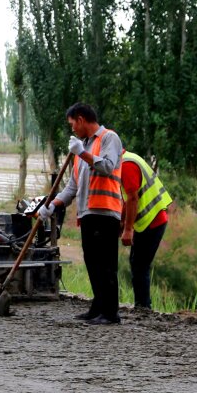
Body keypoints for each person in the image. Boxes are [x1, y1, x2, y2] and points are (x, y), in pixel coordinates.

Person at [37, 102, 124, 325]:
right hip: (88, 212)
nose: (72, 129)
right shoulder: (80, 149)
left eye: (72, 124)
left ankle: (110, 312)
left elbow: (107, 166)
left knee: (105, 264)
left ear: (81, 119)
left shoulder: (108, 138)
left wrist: (82, 153)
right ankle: (98, 307)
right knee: (92, 262)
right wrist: (53, 205)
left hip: (106, 212)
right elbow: (72, 187)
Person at [120, 151, 173, 310]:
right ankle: (142, 306)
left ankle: (143, 308)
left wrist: (128, 229)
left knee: (139, 265)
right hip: (153, 218)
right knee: (137, 263)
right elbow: (128, 198)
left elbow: (133, 198)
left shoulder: (126, 165)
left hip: (151, 221)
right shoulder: (129, 158)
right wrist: (122, 222)